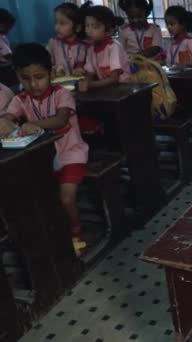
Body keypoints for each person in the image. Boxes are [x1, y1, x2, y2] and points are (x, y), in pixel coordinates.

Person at [0, 43, 89, 255]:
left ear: (50, 73)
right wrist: (6, 122)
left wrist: (32, 125)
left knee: (65, 198)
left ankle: (76, 231)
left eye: (39, 77)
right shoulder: (20, 99)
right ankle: (47, 233)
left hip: (70, 154)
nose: (33, 84)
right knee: (36, 197)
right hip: (43, 159)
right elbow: (8, 116)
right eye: (25, 78)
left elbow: (60, 120)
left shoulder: (62, 94)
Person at [80, 5, 131, 91]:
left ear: (109, 31)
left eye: (95, 27)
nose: (89, 31)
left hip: (123, 88)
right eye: (87, 26)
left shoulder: (114, 47)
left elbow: (114, 79)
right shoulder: (91, 49)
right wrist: (84, 82)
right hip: (107, 88)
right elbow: (90, 72)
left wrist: (90, 85)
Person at [47, 2, 88, 77]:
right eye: (56, 22)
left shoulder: (83, 46)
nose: (57, 27)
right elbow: (47, 65)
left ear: (77, 28)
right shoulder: (53, 43)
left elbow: (81, 66)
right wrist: (53, 70)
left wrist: (79, 70)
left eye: (62, 23)